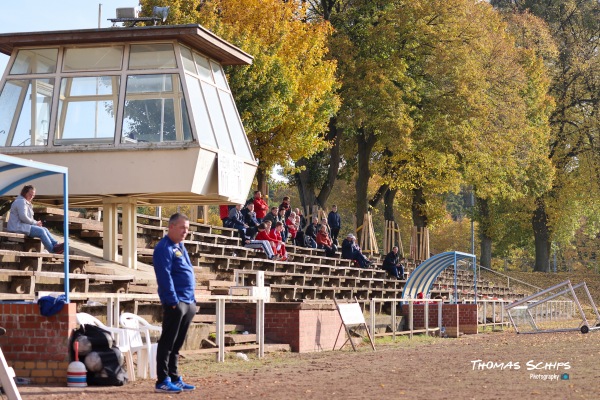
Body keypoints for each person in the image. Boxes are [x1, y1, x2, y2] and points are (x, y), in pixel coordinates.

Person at [152, 213, 196, 393]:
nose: (185, 231)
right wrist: (172, 301)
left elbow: (187, 272)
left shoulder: (180, 246)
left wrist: (192, 299)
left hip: (188, 301)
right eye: (182, 227)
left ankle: (175, 377)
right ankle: (162, 380)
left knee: (177, 344)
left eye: (187, 228)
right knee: (167, 343)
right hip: (175, 302)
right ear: (171, 227)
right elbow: (164, 275)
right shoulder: (164, 247)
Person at [7, 185, 64, 254]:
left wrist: (36, 223)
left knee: (44, 229)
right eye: (30, 194)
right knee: (41, 231)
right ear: (25, 192)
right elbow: (23, 217)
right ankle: (53, 250)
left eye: (33, 195)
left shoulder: (26, 202)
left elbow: (28, 218)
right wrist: (35, 223)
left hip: (23, 226)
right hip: (17, 227)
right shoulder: (21, 202)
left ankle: (55, 245)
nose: (31, 197)